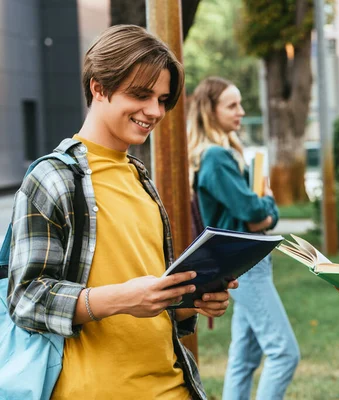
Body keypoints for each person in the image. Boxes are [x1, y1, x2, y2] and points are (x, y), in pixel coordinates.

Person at [7, 25, 236, 399]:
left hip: (175, 385)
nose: (154, 111)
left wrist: (186, 302)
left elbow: (146, 301)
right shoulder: (54, 177)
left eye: (162, 99)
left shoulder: (139, 178)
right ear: (99, 87)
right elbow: (27, 298)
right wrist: (120, 299)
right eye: (141, 94)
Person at [187, 77, 300, 400]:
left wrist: (262, 212)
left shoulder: (219, 154)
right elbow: (253, 211)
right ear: (211, 110)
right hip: (244, 263)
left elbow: (251, 212)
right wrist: (270, 207)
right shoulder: (216, 158)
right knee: (284, 353)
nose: (241, 111)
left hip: (241, 262)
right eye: (232, 105)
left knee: (244, 358)